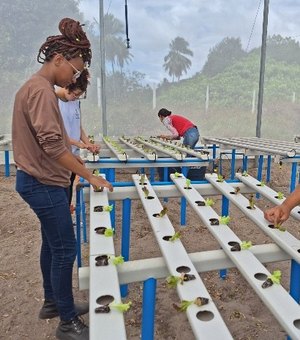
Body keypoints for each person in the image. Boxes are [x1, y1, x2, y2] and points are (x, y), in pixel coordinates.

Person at [12, 18, 113, 340]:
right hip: (43, 183)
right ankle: (67, 322)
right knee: (64, 249)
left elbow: (53, 143)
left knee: (52, 244)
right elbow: (54, 146)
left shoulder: (36, 88)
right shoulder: (41, 92)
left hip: (38, 180)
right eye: (74, 69)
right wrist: (90, 176)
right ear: (59, 60)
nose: (74, 77)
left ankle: (53, 302)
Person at [56, 69, 100, 206]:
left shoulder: (75, 102)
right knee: (59, 195)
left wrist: (88, 144)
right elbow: (55, 135)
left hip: (73, 156)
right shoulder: (54, 101)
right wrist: (79, 144)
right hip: (60, 157)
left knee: (68, 192)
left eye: (79, 95)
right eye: (75, 94)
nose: (76, 97)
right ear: (67, 85)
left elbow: (78, 127)